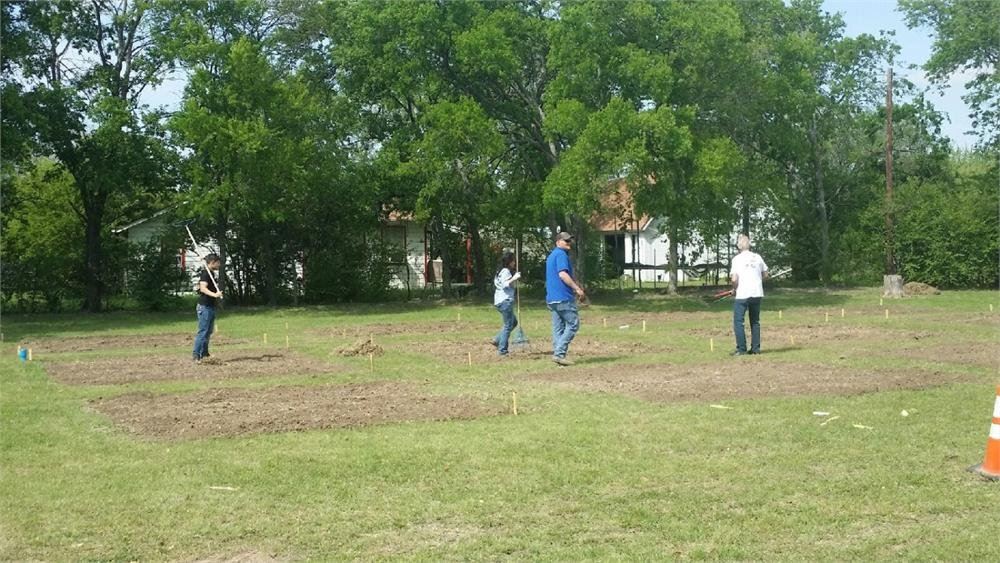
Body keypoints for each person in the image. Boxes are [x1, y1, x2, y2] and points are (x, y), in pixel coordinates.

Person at [545, 232, 585, 366]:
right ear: (558, 242)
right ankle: (559, 353)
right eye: (566, 241)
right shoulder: (561, 254)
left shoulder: (551, 256)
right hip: (563, 297)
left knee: (558, 328)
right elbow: (562, 274)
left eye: (569, 241)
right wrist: (577, 288)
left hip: (552, 298)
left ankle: (558, 355)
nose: (569, 243)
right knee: (573, 324)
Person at [729, 234, 768, 355]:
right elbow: (765, 274)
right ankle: (756, 349)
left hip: (742, 294)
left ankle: (741, 349)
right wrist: (758, 280)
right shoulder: (757, 257)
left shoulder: (737, 259)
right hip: (757, 293)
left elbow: (734, 279)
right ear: (749, 245)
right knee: (755, 321)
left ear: (739, 246)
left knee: (738, 321)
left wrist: (734, 289)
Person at [193, 254, 223, 363]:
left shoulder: (211, 273)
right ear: (212, 262)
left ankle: (205, 354)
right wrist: (215, 295)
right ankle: (196, 355)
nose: (219, 265)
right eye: (218, 262)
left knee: (208, 332)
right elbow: (203, 288)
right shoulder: (205, 274)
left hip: (210, 306)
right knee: (203, 331)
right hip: (204, 307)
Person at [491, 251, 522, 356]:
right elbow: (505, 284)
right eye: (513, 261)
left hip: (499, 300)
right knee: (508, 325)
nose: (514, 263)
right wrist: (515, 277)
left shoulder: (499, 271)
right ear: (509, 261)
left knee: (513, 322)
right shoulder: (506, 271)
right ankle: (502, 350)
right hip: (505, 301)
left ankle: (497, 339)